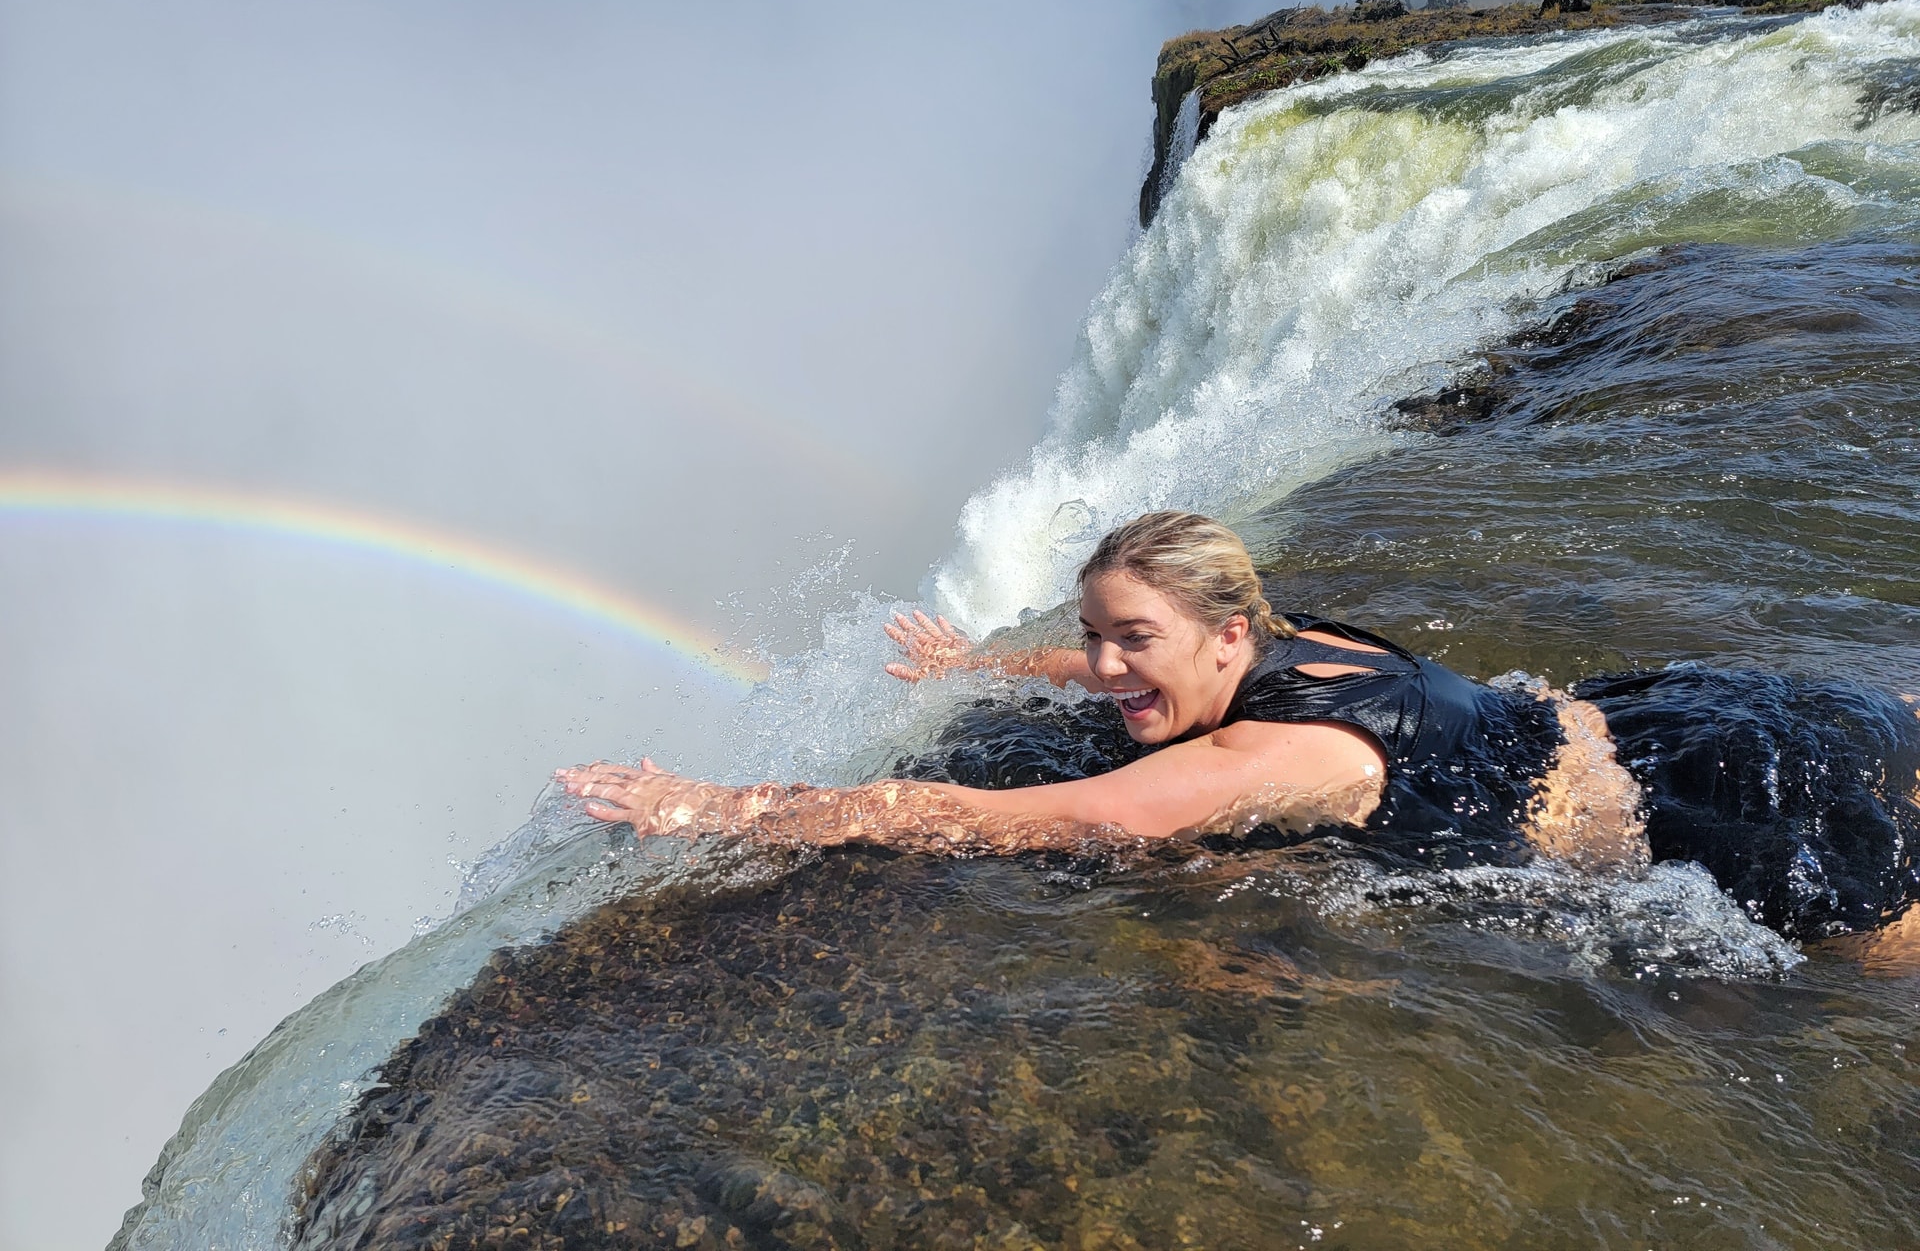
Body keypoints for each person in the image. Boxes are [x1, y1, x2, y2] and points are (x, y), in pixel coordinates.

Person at [559, 511, 1920, 944]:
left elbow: (1013, 820)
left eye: (1127, 640)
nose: (1102, 666)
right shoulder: (1278, 638)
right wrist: (982, 663)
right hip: (1686, 706)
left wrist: (727, 811)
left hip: (1733, 816)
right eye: (1090, 634)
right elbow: (1109, 670)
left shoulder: (1273, 755)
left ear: (1225, 638)